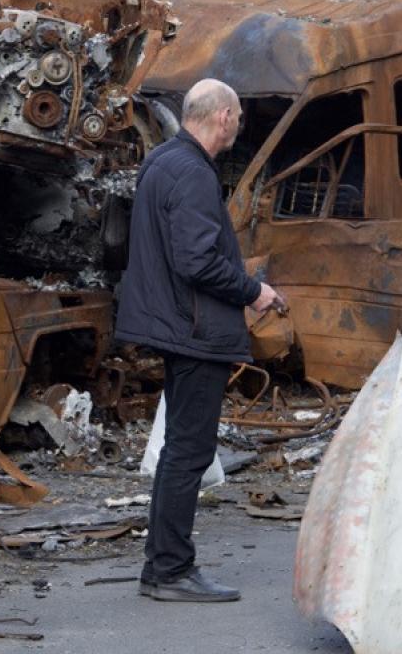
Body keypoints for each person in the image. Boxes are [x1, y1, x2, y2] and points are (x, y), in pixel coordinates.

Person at [116, 78, 284, 603]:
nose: (236, 124)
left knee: (179, 450)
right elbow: (196, 260)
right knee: (188, 451)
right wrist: (253, 291)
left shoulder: (163, 162)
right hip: (193, 330)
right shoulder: (191, 172)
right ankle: (170, 570)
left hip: (174, 324)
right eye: (236, 116)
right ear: (223, 117)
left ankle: (163, 567)